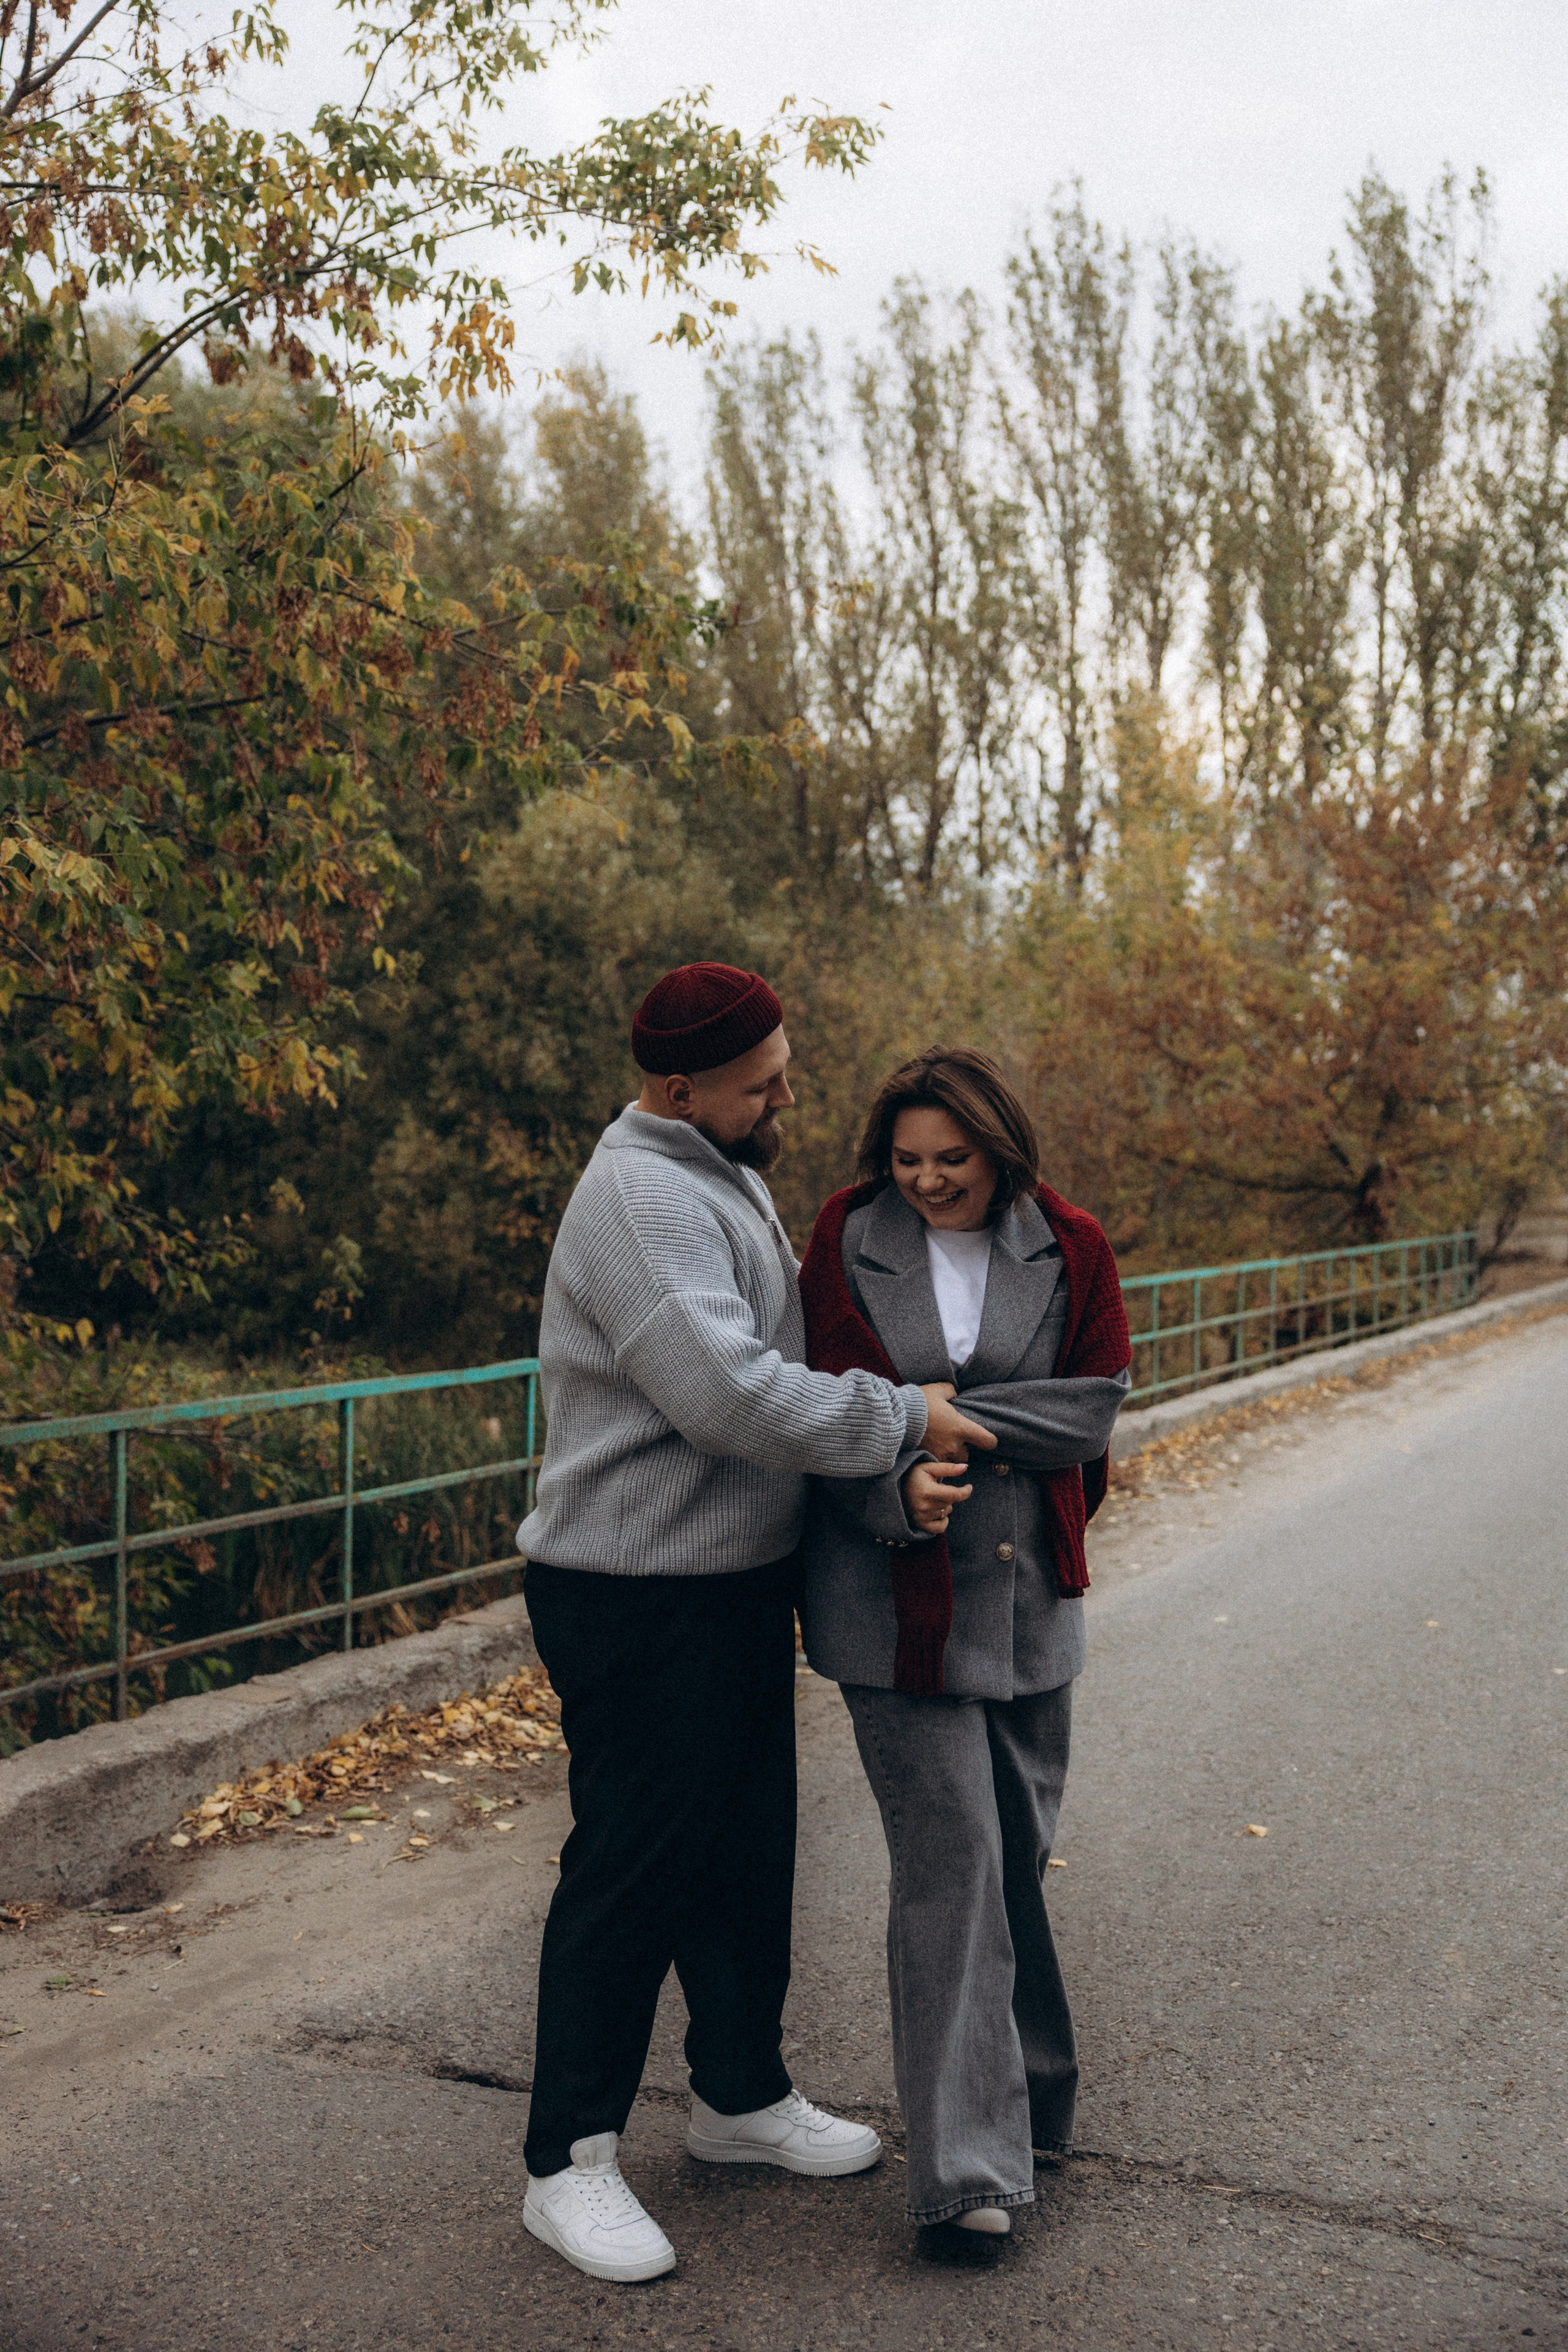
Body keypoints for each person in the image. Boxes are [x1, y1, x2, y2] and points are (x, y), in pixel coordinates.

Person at [514, 966, 997, 2284]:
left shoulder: (716, 1164)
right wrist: (900, 1415)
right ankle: (568, 2162)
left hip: (725, 1579)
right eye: (759, 1082)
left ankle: (735, 2099)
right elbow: (728, 1397)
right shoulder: (639, 1197)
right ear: (679, 1089)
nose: (786, 1093)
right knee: (632, 1867)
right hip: (629, 1590)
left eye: (781, 1066)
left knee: (742, 1852)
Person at [798, 1047, 1131, 2240]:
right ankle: (969, 2175)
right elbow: (819, 1409)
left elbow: (1089, 1409)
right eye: (906, 1160)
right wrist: (894, 1487)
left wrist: (937, 1414)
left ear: (999, 1152)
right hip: (889, 1601)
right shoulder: (842, 1232)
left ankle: (1037, 2094)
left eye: (951, 1161)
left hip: (1029, 1595)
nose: (927, 1182)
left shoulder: (1072, 1243)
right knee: (951, 1868)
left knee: (1012, 1859)